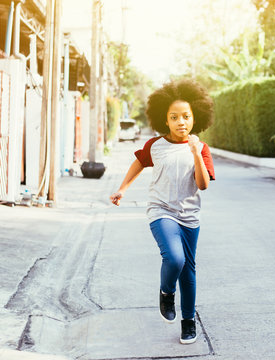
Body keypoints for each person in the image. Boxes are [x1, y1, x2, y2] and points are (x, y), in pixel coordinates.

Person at [110, 79, 215, 344]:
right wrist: (122, 188)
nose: (181, 122)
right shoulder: (155, 145)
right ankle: (166, 293)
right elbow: (139, 163)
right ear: (164, 120)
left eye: (186, 116)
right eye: (174, 117)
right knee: (174, 259)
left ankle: (188, 321)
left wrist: (194, 152)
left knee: (188, 270)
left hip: (190, 216)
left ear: (195, 118)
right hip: (161, 211)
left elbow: (202, 184)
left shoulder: (201, 148)